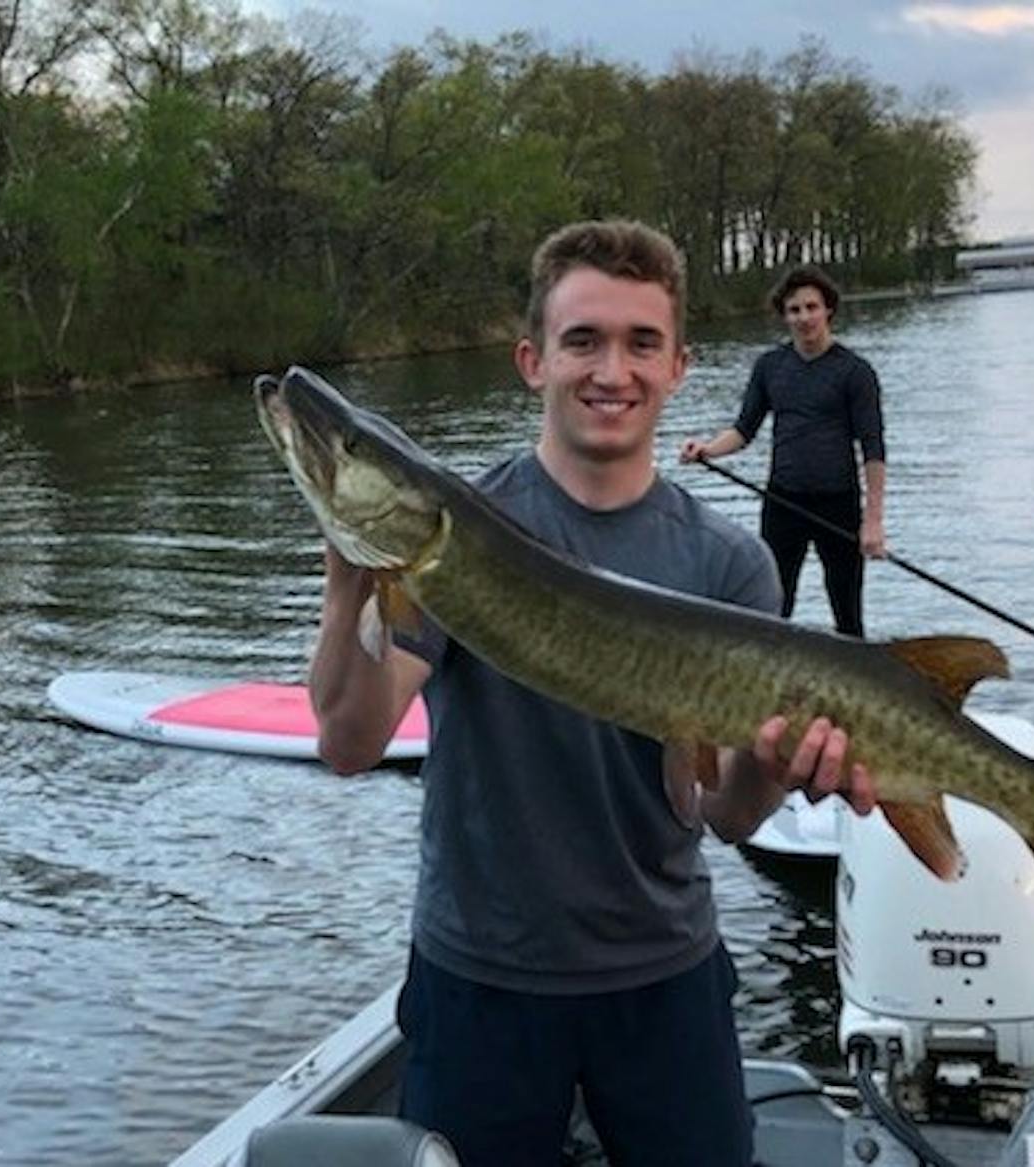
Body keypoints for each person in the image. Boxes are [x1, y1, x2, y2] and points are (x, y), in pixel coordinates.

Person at [307, 220, 878, 1167]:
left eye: (640, 342)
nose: (612, 369)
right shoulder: (457, 535)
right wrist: (346, 578)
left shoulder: (728, 564)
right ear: (532, 360)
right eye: (583, 340)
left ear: (680, 367)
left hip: (664, 976)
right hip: (478, 978)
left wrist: (780, 770)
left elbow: (727, 813)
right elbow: (348, 740)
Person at [680, 265, 887, 638]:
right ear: (784, 316)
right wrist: (707, 450)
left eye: (811, 307)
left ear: (828, 311)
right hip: (783, 503)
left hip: (837, 505)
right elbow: (744, 430)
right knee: (773, 609)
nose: (804, 317)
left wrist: (872, 522)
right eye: (794, 310)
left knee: (848, 615)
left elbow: (873, 449)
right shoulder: (770, 367)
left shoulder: (856, 372)